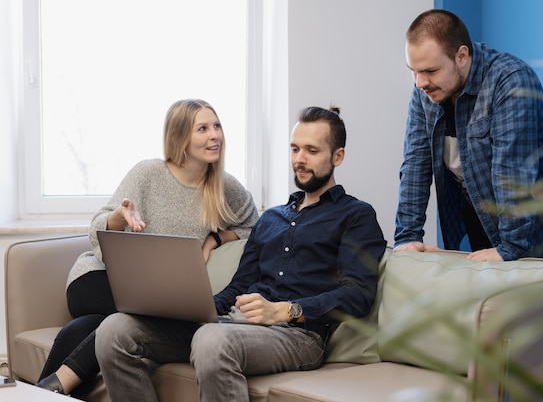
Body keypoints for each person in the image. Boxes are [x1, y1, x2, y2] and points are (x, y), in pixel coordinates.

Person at [94, 105, 387, 402]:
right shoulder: (272, 218)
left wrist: (286, 309)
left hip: (298, 336)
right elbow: (239, 286)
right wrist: (193, 308)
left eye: (312, 151)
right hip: (232, 325)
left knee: (211, 340)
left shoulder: (355, 215)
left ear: (337, 156)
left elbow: (358, 295)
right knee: (114, 331)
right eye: (295, 149)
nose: (299, 159)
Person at [36, 99, 259, 398]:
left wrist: (213, 240)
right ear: (180, 136)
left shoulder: (224, 187)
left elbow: (255, 229)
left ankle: (41, 392)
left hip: (151, 297)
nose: (214, 135)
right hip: (98, 279)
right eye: (203, 128)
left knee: (89, 329)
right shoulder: (148, 173)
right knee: (161, 312)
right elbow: (98, 227)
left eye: (216, 126)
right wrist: (117, 218)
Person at [394, 9, 543, 261]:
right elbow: (415, 163)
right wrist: (408, 237)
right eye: (413, 70)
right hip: (481, 214)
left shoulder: (511, 81)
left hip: (531, 222)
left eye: (431, 71)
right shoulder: (425, 90)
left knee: (527, 299)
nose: (420, 82)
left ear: (462, 56)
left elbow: (512, 171)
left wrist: (510, 247)